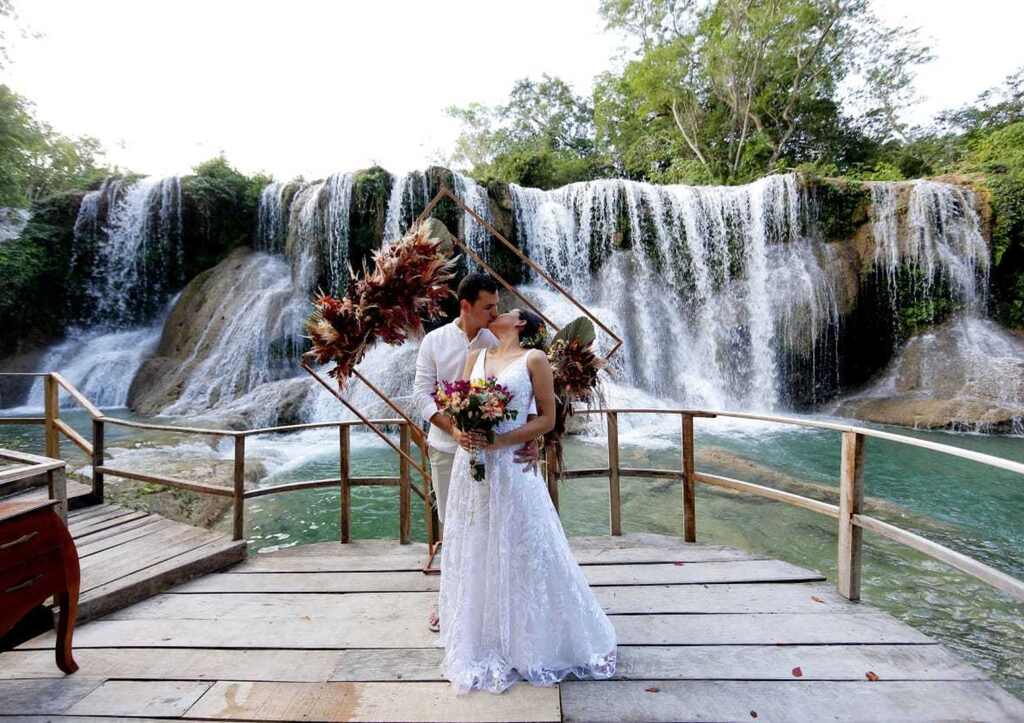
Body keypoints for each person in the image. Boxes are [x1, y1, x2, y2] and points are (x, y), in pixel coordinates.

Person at [438, 308, 617, 694]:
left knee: (523, 544)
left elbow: (548, 418)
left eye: (505, 310)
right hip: (471, 463)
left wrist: (503, 441)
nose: (496, 312)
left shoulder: (534, 359)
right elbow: (456, 406)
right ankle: (483, 637)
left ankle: (531, 639)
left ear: (520, 324)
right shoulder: (475, 357)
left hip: (510, 462)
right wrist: (461, 431)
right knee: (478, 542)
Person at [411, 273, 537, 634]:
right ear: (465, 306)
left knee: (490, 527)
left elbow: (525, 391)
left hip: (493, 452)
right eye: (487, 307)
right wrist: (454, 429)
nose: (494, 313)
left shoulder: (497, 339)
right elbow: (422, 394)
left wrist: (531, 436)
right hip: (447, 448)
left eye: (497, 307)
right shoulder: (434, 341)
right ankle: (448, 601)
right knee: (453, 526)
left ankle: (492, 602)